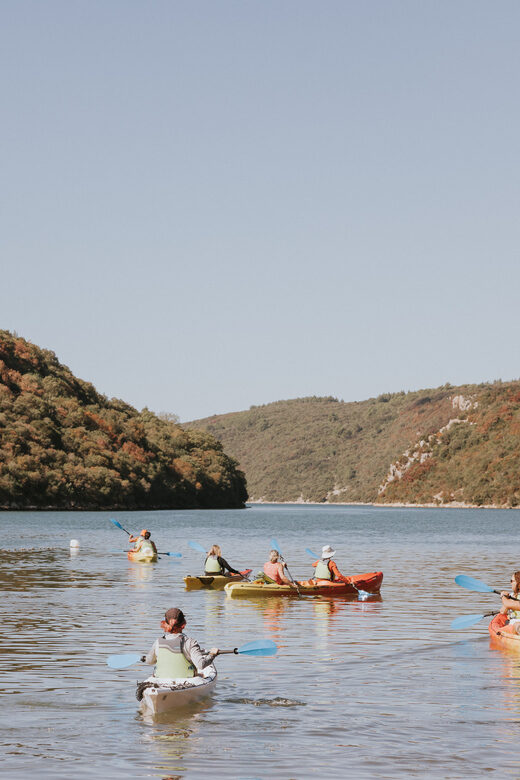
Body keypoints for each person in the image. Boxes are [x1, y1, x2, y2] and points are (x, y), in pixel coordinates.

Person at [143, 607, 219, 679]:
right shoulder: (190, 642)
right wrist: (212, 654)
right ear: (184, 624)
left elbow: (149, 661)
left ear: (165, 624)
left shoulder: (158, 642)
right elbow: (201, 665)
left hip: (162, 680)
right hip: (186, 681)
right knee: (200, 674)